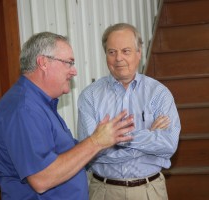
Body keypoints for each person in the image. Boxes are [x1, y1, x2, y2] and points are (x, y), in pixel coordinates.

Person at [0, 31, 135, 200]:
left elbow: (66, 155)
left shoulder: (40, 104)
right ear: (43, 63)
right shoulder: (24, 108)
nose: (74, 72)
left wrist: (105, 140)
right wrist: (95, 141)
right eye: (69, 63)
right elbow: (41, 178)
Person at [77, 23, 181, 200]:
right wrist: (148, 135)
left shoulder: (159, 93)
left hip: (149, 191)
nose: (118, 58)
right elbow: (89, 152)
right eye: (112, 52)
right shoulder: (90, 96)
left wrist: (110, 139)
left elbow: (168, 145)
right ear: (106, 56)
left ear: (139, 53)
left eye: (126, 51)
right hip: (103, 191)